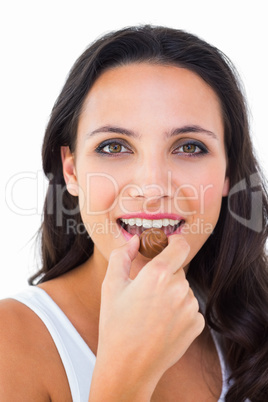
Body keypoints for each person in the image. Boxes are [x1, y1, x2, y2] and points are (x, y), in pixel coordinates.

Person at [0, 25, 267, 402]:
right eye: (113, 147)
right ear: (71, 171)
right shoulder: (10, 340)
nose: (153, 187)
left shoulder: (253, 325)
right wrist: (124, 377)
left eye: (189, 147)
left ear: (228, 173)